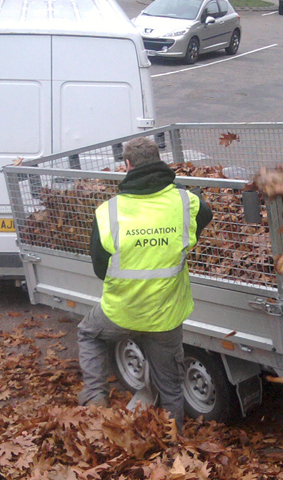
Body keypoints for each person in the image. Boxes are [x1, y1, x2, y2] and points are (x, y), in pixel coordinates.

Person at [76, 136, 212, 432]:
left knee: (89, 333)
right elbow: (206, 214)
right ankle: (172, 447)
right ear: (159, 159)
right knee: (171, 388)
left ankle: (96, 397)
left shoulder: (108, 212)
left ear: (127, 165)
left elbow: (100, 268)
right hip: (165, 315)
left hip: (121, 311)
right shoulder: (184, 202)